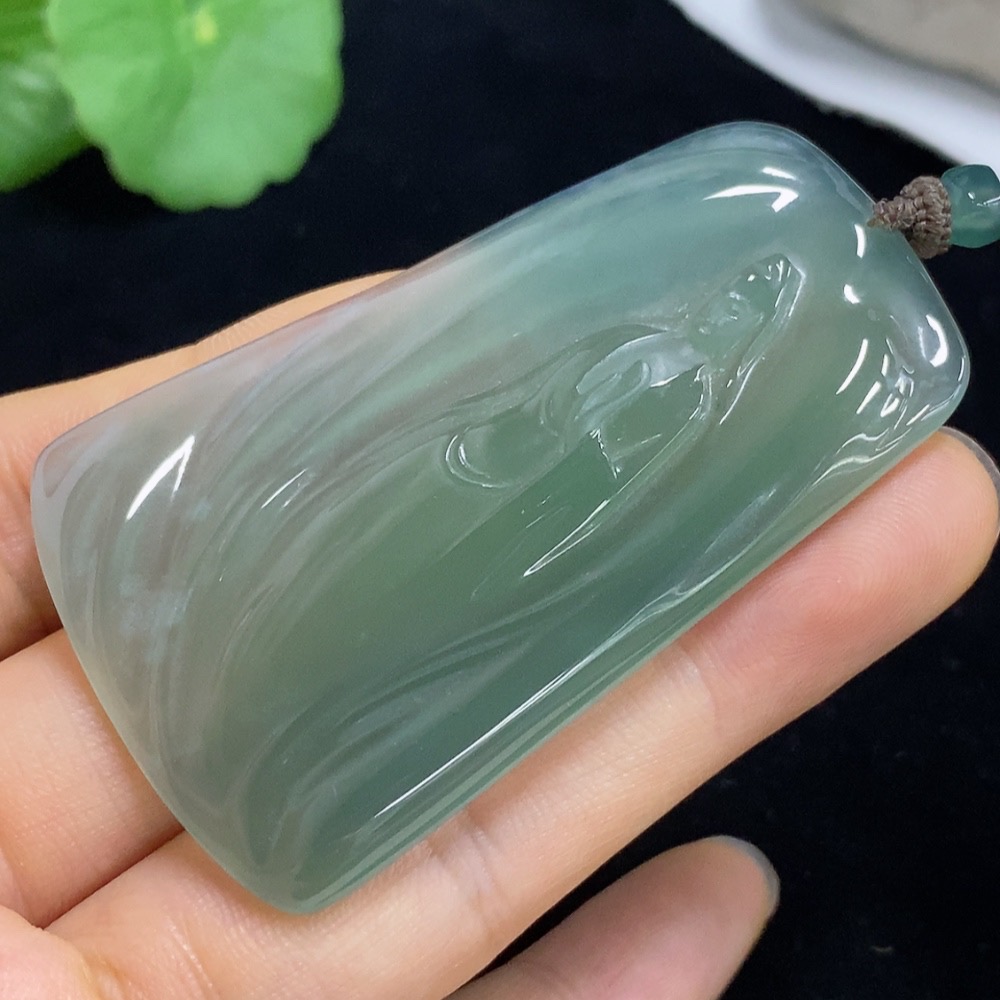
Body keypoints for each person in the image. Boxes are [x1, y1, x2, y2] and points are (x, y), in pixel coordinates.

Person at [1, 274, 997, 999]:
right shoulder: (637, 350)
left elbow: (599, 486)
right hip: (444, 479)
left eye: (746, 311)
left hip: (511, 540)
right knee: (330, 562)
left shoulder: (688, 393)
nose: (730, 313)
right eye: (734, 298)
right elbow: (528, 414)